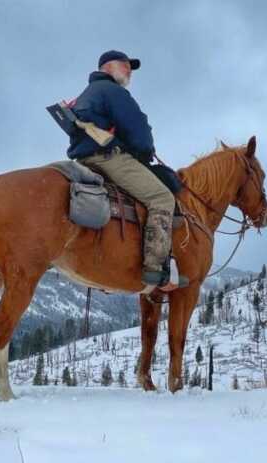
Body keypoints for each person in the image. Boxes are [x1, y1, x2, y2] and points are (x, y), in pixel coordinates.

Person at [67, 50, 187, 289]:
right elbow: (138, 130)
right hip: (110, 159)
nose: (129, 70)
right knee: (162, 197)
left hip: (84, 160)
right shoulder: (114, 91)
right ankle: (155, 269)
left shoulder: (86, 94)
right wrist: (145, 151)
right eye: (125, 65)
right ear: (108, 67)